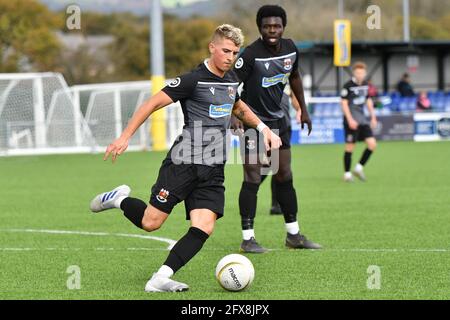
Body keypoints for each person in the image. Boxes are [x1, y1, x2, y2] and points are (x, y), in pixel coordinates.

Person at [89, 24, 282, 292]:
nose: (230, 57)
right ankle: (119, 198)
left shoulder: (231, 81)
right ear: (212, 47)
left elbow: (238, 106)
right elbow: (151, 103)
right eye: (226, 50)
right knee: (150, 222)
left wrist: (263, 129)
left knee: (204, 226)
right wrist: (124, 137)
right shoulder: (192, 80)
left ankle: (160, 278)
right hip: (184, 163)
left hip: (214, 167)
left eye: (235, 52)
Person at [232, 4, 321, 253]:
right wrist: (233, 115)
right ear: (260, 28)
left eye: (277, 26)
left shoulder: (291, 49)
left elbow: (294, 77)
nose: (272, 30)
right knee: (252, 176)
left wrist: (303, 109)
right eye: (267, 26)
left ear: (284, 27)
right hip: (253, 123)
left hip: (279, 122)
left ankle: (294, 235)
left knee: (284, 174)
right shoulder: (250, 55)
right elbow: (230, 85)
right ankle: (247, 238)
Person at [341, 61, 378, 182]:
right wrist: (350, 119)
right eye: (357, 73)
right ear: (354, 73)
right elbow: (344, 103)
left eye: (362, 73)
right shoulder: (348, 86)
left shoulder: (366, 85)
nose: (360, 75)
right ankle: (347, 174)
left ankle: (358, 168)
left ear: (365, 73)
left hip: (362, 120)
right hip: (351, 121)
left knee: (372, 144)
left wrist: (373, 117)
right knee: (350, 147)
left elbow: (368, 101)